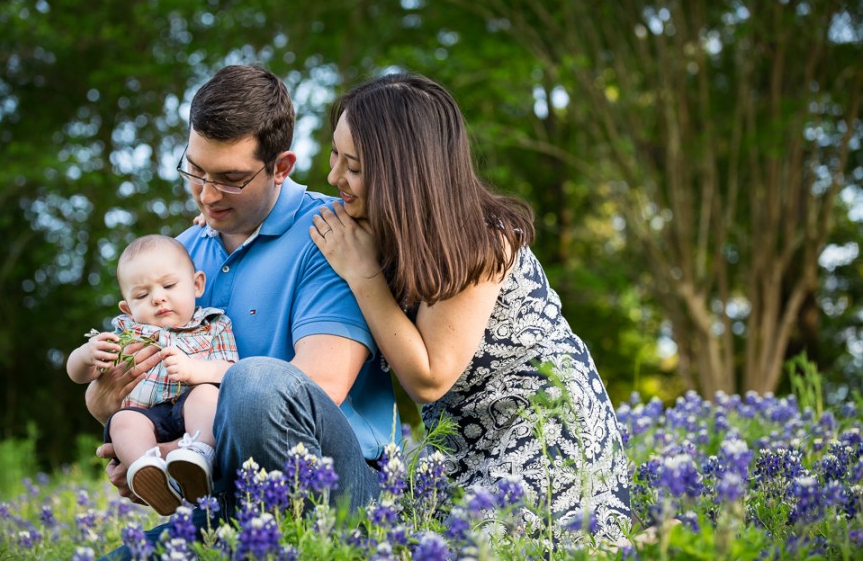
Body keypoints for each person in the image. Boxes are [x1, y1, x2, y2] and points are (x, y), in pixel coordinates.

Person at [85, 65, 398, 558]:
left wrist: (179, 455)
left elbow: (316, 388)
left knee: (253, 382)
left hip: (335, 486)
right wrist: (124, 427)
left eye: (230, 179)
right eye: (195, 171)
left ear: (282, 166)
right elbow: (125, 388)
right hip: (224, 498)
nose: (208, 196)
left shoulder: (332, 236)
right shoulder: (178, 258)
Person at [309, 73, 632, 542]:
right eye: (334, 154)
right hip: (461, 447)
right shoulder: (386, 230)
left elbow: (430, 377)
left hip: (543, 433)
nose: (334, 176)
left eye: (353, 166)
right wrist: (220, 227)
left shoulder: (482, 238)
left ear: (403, 174)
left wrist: (364, 277)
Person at [67, 234, 238, 515]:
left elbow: (232, 369)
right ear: (127, 308)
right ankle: (147, 471)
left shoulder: (212, 324)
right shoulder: (127, 332)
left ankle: (197, 458)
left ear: (197, 285)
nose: (158, 298)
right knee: (122, 420)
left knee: (207, 394)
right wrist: (86, 356)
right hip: (147, 416)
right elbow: (77, 374)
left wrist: (195, 370)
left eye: (169, 285)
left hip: (192, 413)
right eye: (142, 295)